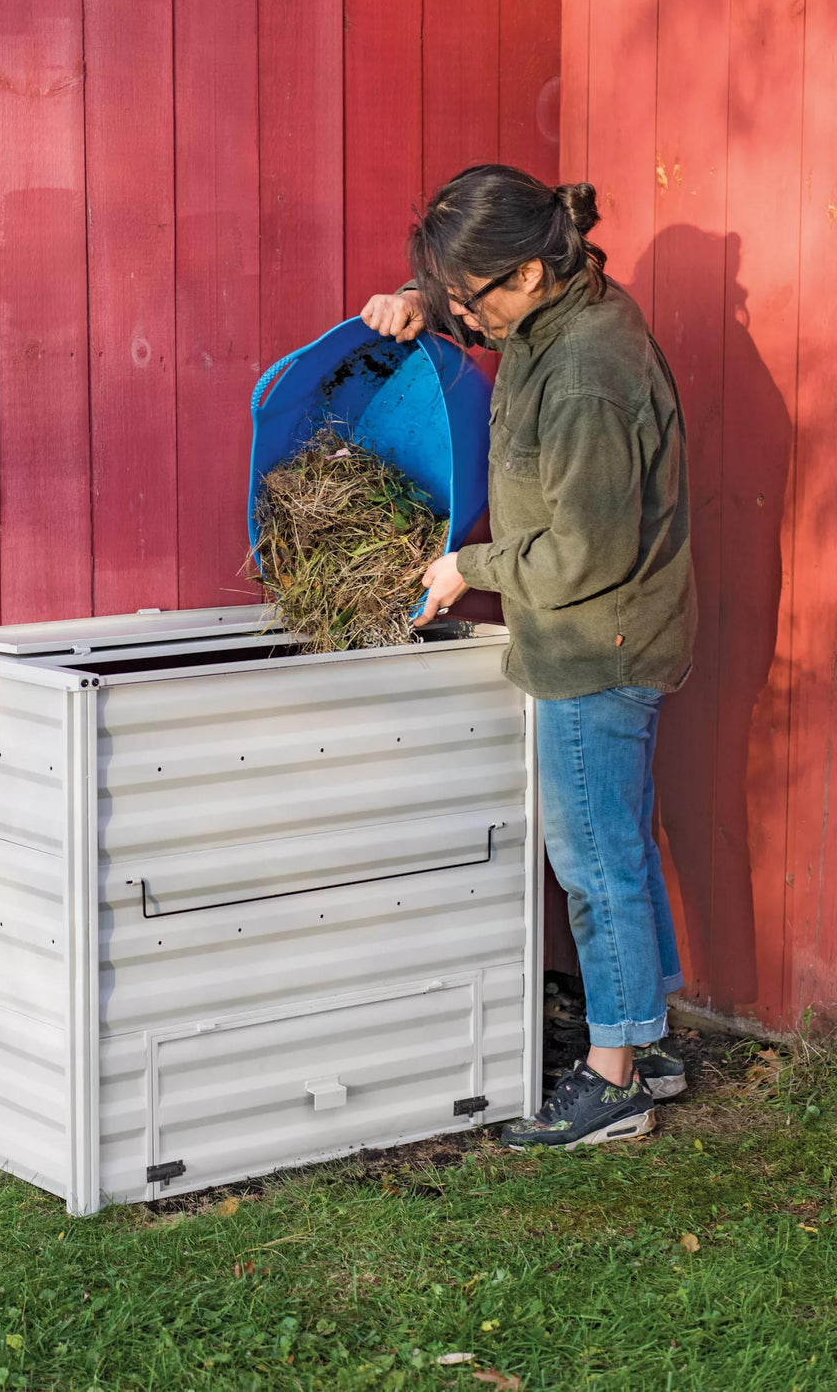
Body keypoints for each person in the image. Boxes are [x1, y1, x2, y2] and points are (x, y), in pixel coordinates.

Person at [361, 164, 697, 1150]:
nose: (462, 314)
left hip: (596, 643)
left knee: (591, 861)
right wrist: (415, 303)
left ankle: (614, 1083)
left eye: (467, 297)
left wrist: (469, 564)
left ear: (522, 273)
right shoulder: (555, 302)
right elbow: (473, 304)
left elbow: (580, 555)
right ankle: (644, 1042)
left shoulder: (588, 372)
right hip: (605, 631)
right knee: (617, 844)